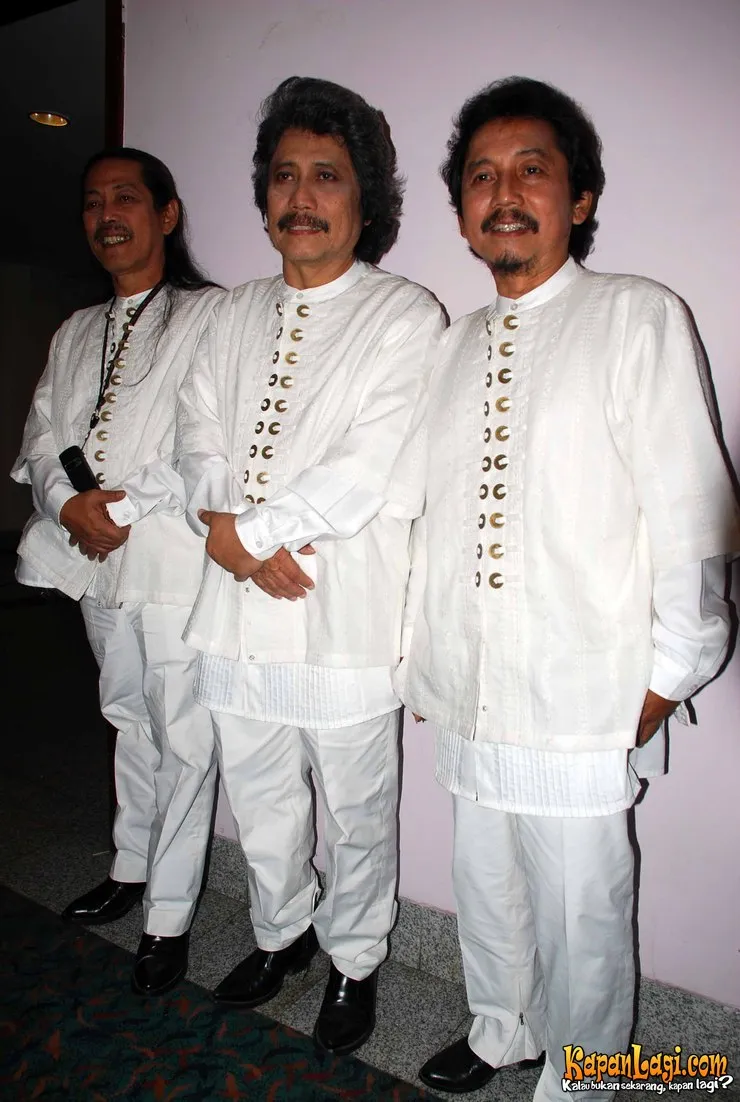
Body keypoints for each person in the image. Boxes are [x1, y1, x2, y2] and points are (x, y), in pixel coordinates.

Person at [397, 77, 740, 1100]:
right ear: (461, 209)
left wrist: (672, 670)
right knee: (482, 875)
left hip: (586, 685)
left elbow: (691, 510)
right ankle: (500, 1027)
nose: (503, 193)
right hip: (469, 678)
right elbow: (428, 517)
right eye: (481, 176)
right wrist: (422, 656)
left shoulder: (635, 316)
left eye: (530, 170)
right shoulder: (451, 345)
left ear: (579, 198)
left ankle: (584, 1077)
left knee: (583, 906)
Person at [174, 76, 444, 1054]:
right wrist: (233, 537)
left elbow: (372, 464)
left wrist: (250, 536)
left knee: (359, 808)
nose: (301, 196)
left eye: (326, 175)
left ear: (364, 200)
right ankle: (280, 931)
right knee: (259, 796)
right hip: (233, 606)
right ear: (263, 198)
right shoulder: (227, 315)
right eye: (284, 175)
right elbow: (196, 434)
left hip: (342, 609)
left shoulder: (405, 315)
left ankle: (355, 959)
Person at [11, 147, 223, 997]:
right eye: (94, 201)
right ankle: (130, 865)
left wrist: (119, 510)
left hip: (169, 559)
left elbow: (211, 445)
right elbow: (40, 436)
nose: (107, 216)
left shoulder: (211, 316)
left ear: (166, 215)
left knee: (185, 738)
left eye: (126, 198)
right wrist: (68, 506)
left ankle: (168, 915)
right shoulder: (74, 330)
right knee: (126, 715)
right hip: (94, 560)